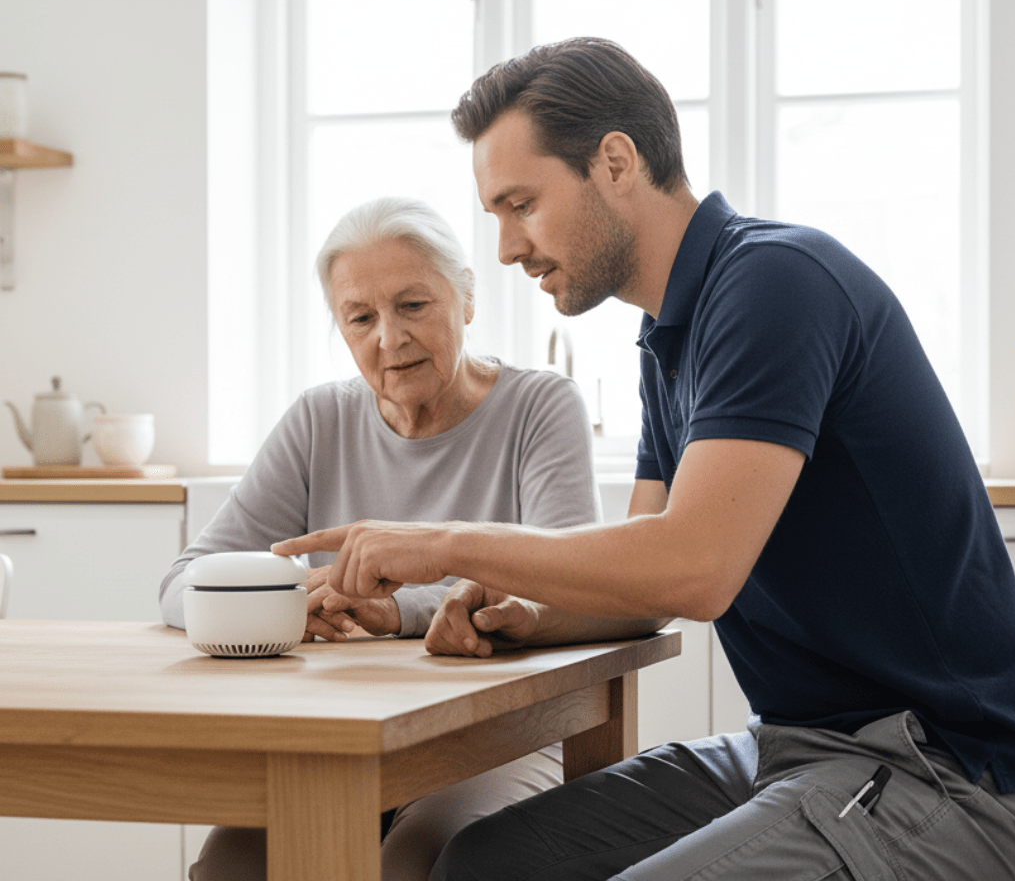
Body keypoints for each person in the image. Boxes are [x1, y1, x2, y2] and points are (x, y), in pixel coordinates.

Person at [275, 38, 1015, 881]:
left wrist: (444, 543)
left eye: (520, 204)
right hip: (801, 750)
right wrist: (524, 618)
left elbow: (693, 572)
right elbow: (639, 584)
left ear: (615, 161)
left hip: (943, 774)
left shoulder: (776, 284)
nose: (505, 247)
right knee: (481, 862)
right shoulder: (669, 339)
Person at [160, 195, 663, 881]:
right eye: (360, 317)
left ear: (466, 299)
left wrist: (399, 609)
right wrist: (277, 603)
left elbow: (560, 585)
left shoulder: (540, 407)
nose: (388, 338)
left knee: (419, 858)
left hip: (507, 733)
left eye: (413, 306)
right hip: (345, 736)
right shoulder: (319, 419)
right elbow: (185, 579)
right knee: (233, 865)